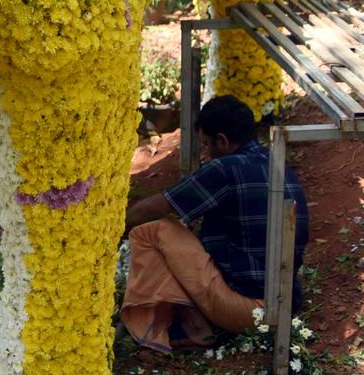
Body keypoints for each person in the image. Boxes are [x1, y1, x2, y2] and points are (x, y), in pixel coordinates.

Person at [122, 95, 310, 352]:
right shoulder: (278, 162)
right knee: (183, 233)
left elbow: (159, 206)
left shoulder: (224, 168)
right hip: (286, 302)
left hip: (250, 311)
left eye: (206, 144)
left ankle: (196, 327)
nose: (206, 153)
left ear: (222, 141)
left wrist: (112, 227)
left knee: (152, 231)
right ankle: (195, 315)